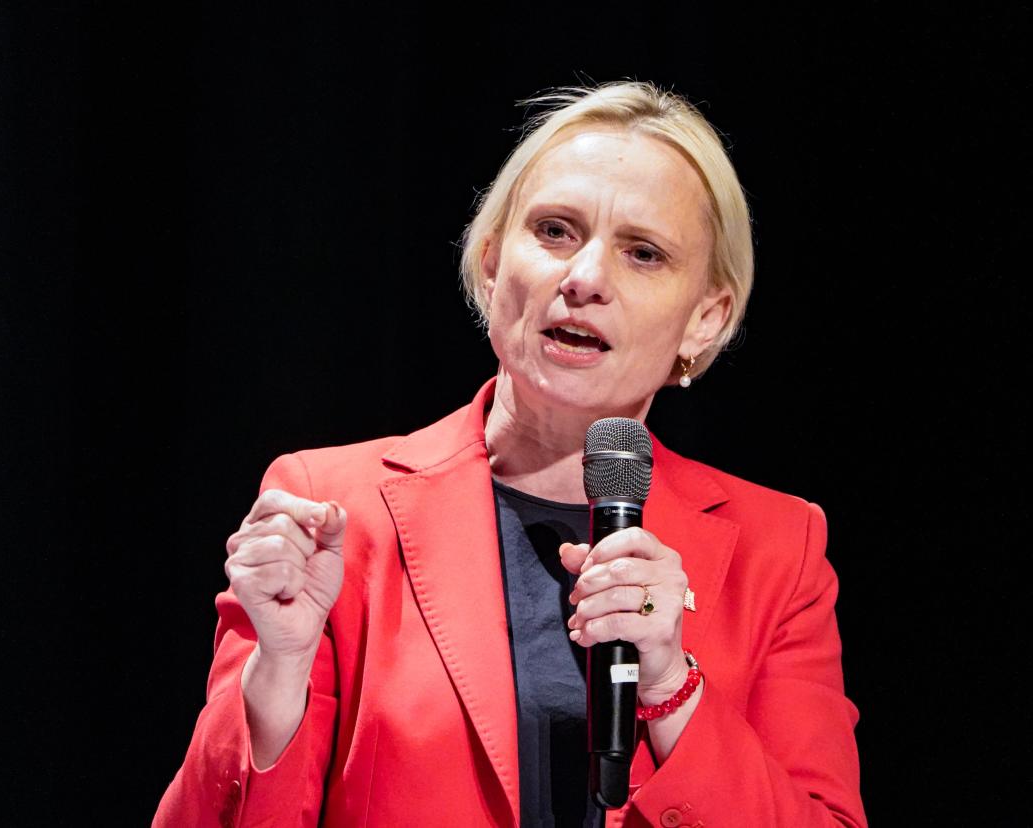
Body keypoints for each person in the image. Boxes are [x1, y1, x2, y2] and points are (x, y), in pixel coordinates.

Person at [155, 82, 866, 827]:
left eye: (643, 253)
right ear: (492, 265)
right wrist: (279, 676)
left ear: (705, 319)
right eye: (555, 231)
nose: (585, 279)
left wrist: (670, 684)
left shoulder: (779, 550)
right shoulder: (334, 507)